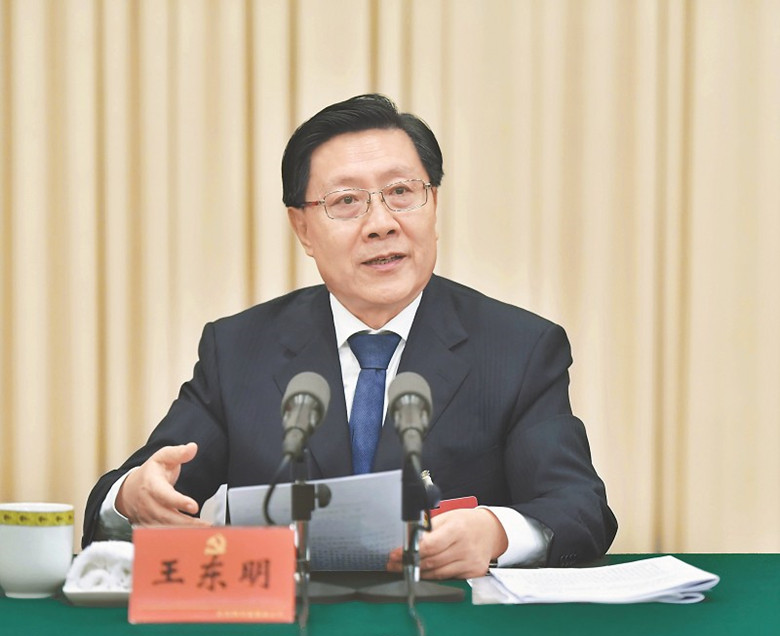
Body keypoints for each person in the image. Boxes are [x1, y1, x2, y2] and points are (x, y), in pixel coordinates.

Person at [83, 94, 617, 579]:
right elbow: (136, 489)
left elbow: (579, 507)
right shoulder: (239, 350)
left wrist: (496, 533)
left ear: (434, 204)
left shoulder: (519, 348)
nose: (381, 223)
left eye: (401, 192)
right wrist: (132, 497)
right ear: (303, 229)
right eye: (345, 201)